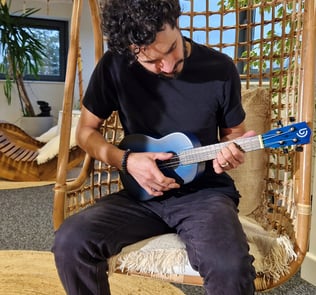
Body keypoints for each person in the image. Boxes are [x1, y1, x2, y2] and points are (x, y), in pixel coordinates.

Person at [52, 0, 257, 294]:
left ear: (176, 21)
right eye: (152, 62)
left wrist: (228, 154)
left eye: (171, 47)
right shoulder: (114, 65)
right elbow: (85, 132)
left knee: (230, 267)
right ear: (131, 52)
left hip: (204, 196)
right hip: (140, 195)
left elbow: (233, 134)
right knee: (71, 241)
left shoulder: (220, 68)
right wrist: (126, 160)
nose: (169, 65)